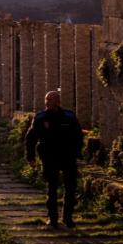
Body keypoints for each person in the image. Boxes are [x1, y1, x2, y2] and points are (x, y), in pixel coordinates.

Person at [25, 90, 83, 228]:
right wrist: (31, 157)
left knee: (70, 188)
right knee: (51, 188)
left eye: (50, 100)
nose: (47, 102)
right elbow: (30, 138)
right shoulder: (40, 117)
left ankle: (67, 218)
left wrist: (77, 153)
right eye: (46, 100)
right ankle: (53, 218)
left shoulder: (69, 116)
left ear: (58, 102)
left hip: (67, 156)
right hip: (49, 157)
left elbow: (78, 136)